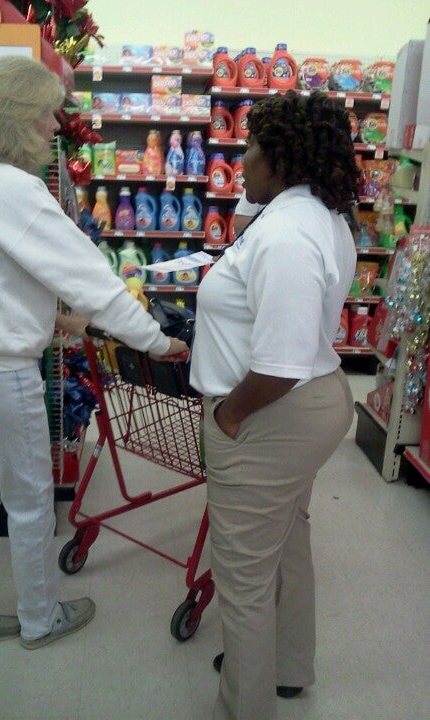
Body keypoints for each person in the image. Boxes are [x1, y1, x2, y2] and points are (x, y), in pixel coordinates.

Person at [0, 56, 187, 651]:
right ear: (18, 116)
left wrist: (56, 319)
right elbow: (90, 278)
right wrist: (155, 340)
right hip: (5, 378)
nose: (53, 126)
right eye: (45, 114)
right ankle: (40, 620)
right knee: (30, 504)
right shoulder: (14, 189)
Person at [190, 90, 359, 720]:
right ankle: (286, 667)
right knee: (287, 541)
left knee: (242, 576)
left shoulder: (287, 234)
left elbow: (280, 365)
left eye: (252, 146)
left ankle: (246, 706)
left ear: (282, 158)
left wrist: (229, 416)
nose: (243, 161)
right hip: (309, 403)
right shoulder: (317, 215)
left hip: (270, 415)